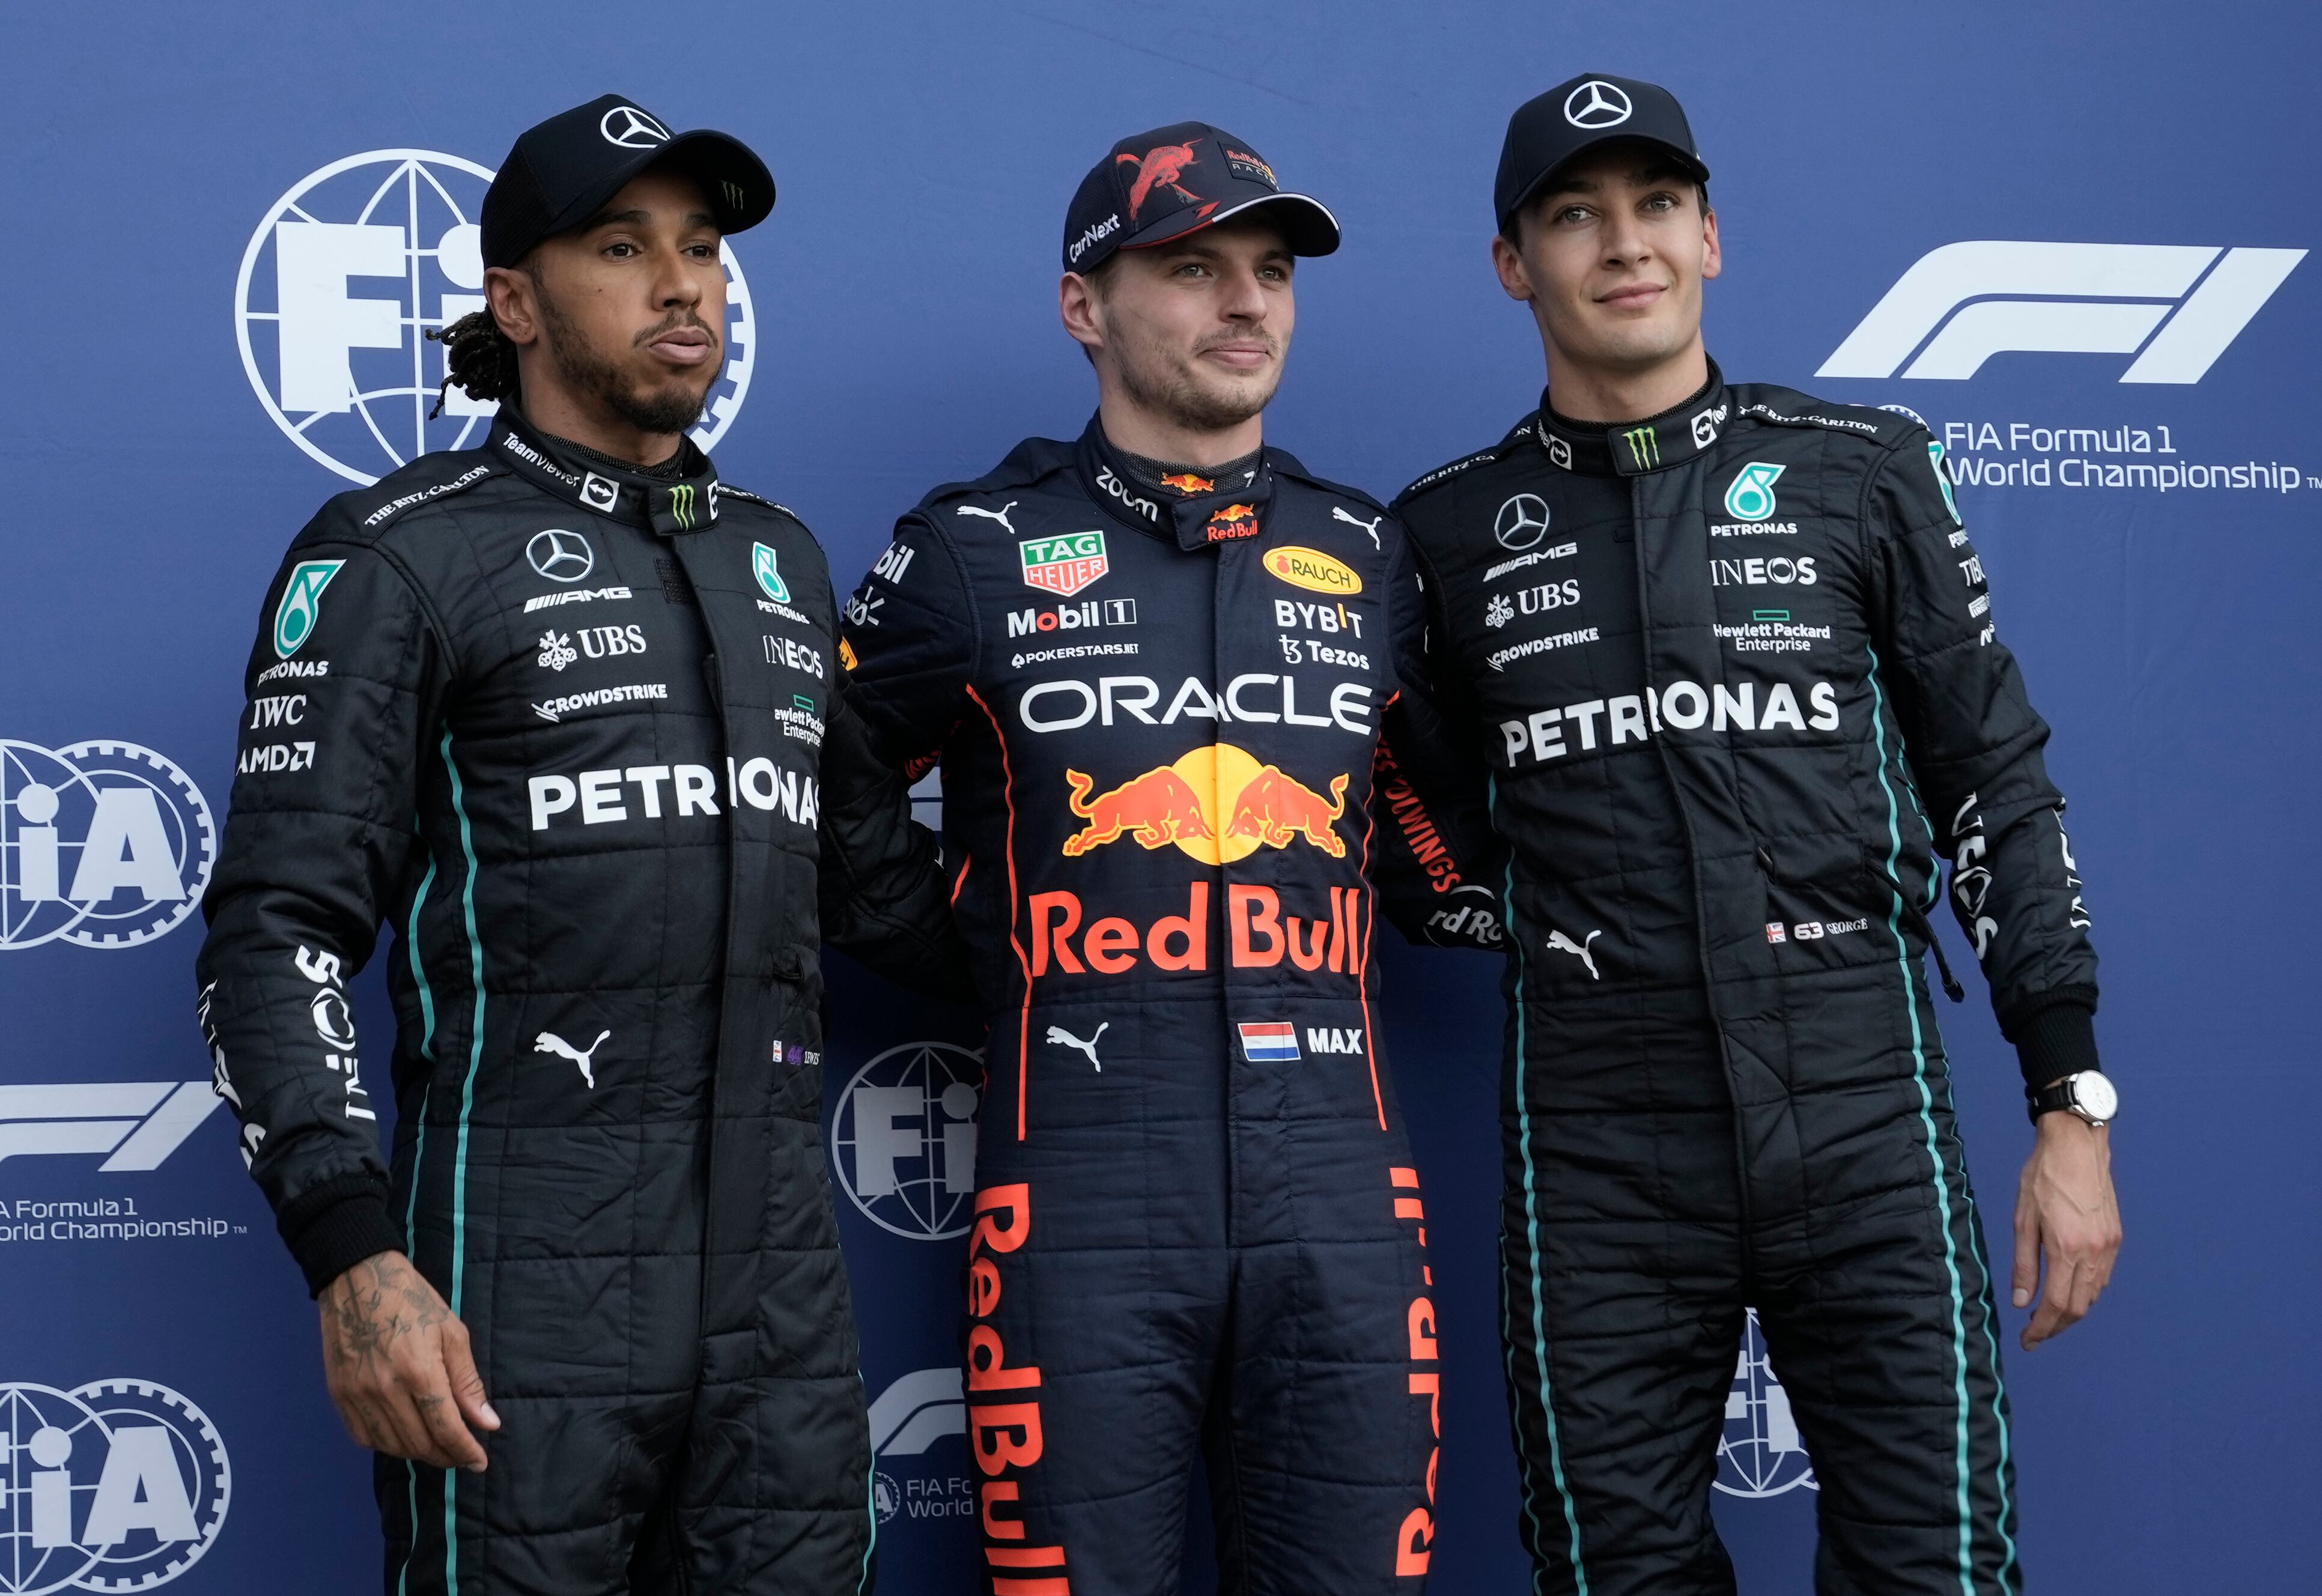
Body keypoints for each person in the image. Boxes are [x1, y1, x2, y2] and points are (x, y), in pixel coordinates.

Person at [196, 94, 965, 1595]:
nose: (682, 286)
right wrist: (352, 1254)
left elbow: (880, 890)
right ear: (514, 301)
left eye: (702, 249)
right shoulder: (397, 551)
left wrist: (1146, 923)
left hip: (782, 1314)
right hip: (511, 1298)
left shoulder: (777, 556)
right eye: (622, 248)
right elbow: (274, 930)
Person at [1387, 73, 2124, 1596]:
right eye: (1574, 216)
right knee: (1614, 1568)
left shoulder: (1861, 467)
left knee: (1934, 1564)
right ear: (1512, 265)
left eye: (1656, 205)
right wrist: (1553, 928)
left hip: (1861, 1109)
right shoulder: (1443, 534)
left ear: (1710, 237)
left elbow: (1993, 782)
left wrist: (2069, 1104)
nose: (1625, 244)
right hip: (1598, 1138)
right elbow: (1411, 827)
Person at [834, 123, 1486, 1595]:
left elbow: (1438, 828)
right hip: (1079, 1196)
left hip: (1342, 1192)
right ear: (1085, 306)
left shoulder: (1366, 554)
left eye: (1270, 272)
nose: (1246, 302)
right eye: (1193, 269)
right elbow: (820, 797)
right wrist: (983, 950)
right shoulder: (975, 548)